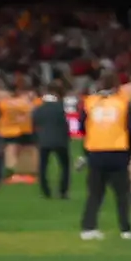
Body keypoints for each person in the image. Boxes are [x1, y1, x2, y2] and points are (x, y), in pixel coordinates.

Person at [77, 75, 131, 241]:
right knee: (122, 194)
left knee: (95, 193)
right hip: (117, 151)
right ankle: (126, 229)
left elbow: (82, 126)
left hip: (96, 151)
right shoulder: (123, 102)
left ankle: (88, 228)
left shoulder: (89, 101)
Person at [35, 76, 76, 210]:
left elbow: (35, 122)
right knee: (65, 166)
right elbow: (65, 124)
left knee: (43, 167)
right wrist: (67, 136)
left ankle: (45, 191)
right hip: (60, 140)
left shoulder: (40, 107)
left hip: (44, 140)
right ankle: (63, 191)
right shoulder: (60, 107)